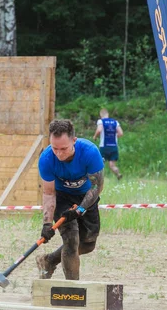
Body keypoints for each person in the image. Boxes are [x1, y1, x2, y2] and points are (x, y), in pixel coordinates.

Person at [36, 119, 104, 280]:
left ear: (74, 140)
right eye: (55, 148)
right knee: (71, 241)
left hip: (86, 195)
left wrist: (80, 209)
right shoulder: (46, 159)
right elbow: (48, 193)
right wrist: (47, 223)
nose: (59, 153)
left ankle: (49, 260)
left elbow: (97, 187)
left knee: (88, 243)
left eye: (64, 149)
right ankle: (73, 291)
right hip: (62, 197)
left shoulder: (90, 152)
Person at [93, 108, 123, 180]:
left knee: (100, 163)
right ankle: (118, 174)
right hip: (114, 146)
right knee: (112, 165)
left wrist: (95, 136)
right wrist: (115, 136)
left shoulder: (101, 121)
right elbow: (121, 133)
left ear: (101, 115)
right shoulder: (115, 122)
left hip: (104, 146)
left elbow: (99, 130)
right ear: (108, 114)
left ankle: (98, 178)